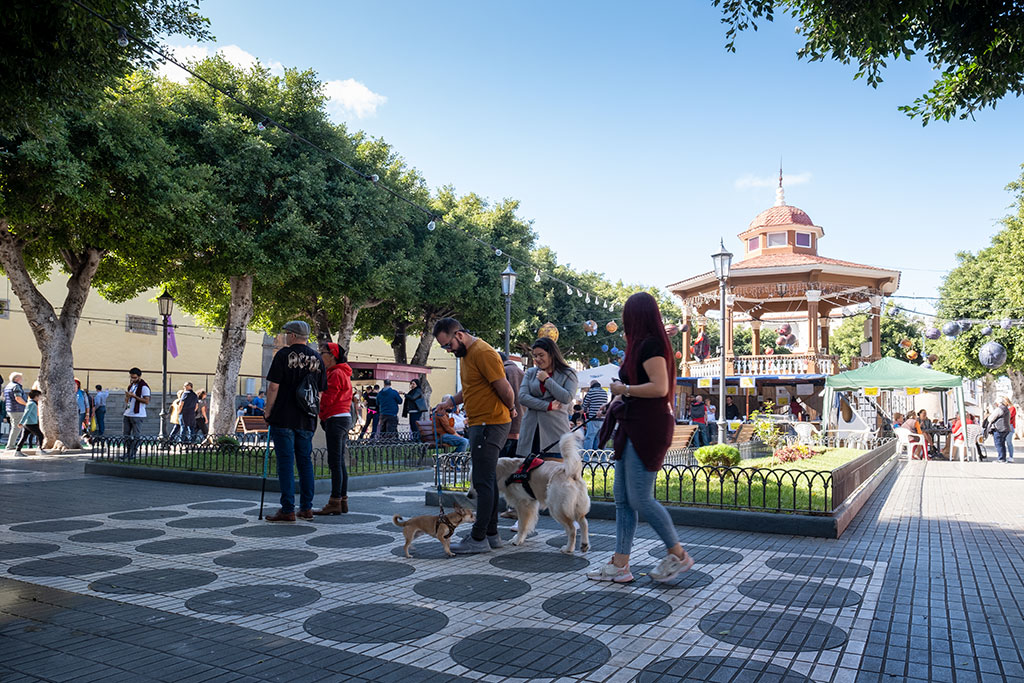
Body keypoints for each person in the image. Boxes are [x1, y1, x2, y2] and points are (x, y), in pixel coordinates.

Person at [587, 291, 694, 583]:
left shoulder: (651, 344)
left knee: (640, 498)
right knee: (622, 499)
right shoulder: (643, 345)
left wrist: (625, 391)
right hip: (633, 423)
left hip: (648, 426)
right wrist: (621, 394)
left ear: (635, 317)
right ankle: (621, 564)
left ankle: (679, 554)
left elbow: (659, 388)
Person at [432, 318, 517, 554]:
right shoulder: (468, 355)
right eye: (443, 348)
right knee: (487, 479)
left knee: (481, 481)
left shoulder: (484, 352)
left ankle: (478, 537)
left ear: (458, 335)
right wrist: (450, 402)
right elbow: (471, 388)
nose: (448, 351)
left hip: (490, 422)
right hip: (481, 422)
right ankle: (491, 535)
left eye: (447, 345)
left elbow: (506, 389)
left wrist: (510, 409)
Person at [263, 321, 326, 522]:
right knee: (305, 463)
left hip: (283, 417)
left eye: (286, 333)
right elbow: (321, 392)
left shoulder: (283, 355)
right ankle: (306, 508)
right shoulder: (318, 359)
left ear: (292, 335)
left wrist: (268, 410)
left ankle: (288, 509)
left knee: (286, 463)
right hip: (306, 419)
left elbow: (273, 387)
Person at [518, 337, 579, 459]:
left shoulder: (568, 373)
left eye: (541, 355)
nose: (537, 359)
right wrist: (548, 406)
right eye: (535, 356)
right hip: (531, 431)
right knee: (529, 475)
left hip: (555, 432)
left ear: (552, 354)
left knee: (556, 475)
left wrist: (547, 380)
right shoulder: (530, 373)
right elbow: (522, 397)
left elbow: (567, 397)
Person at [314, 342, 354, 515]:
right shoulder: (341, 372)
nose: (320, 356)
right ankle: (342, 501)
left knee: (334, 462)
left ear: (332, 355)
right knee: (339, 463)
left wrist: (320, 414)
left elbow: (328, 399)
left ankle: (335, 501)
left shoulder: (336, 373)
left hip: (335, 419)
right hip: (343, 418)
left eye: (322, 353)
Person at [499, 352, 525, 458]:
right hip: (522, 423)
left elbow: (504, 394)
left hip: (508, 423)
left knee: (503, 465)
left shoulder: (502, 372)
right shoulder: (521, 372)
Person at [122, 367, 151, 460]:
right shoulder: (131, 386)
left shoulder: (144, 387)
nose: (132, 379)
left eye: (134, 377)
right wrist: (127, 397)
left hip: (138, 414)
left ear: (139, 377)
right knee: (125, 434)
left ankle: (133, 452)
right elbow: (127, 400)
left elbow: (146, 401)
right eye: (131, 377)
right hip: (128, 413)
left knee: (136, 435)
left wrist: (135, 396)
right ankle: (128, 451)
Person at [15, 389, 45, 455]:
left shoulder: (31, 403)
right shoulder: (31, 404)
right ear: (36, 396)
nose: (40, 397)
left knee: (24, 437)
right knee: (40, 435)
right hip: (31, 423)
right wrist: (21, 422)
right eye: (39, 396)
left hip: (28, 423)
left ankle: (18, 450)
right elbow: (26, 413)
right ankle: (40, 449)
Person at [582, 379, 608, 451]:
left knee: (589, 438)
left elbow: (585, 405)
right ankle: (602, 458)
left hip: (593, 418)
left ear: (591, 385)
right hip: (603, 419)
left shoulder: (591, 392)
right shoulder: (604, 392)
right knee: (601, 438)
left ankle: (587, 457)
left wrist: (584, 410)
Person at [4, 372, 28, 450]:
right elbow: (18, 398)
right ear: (17, 378)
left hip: (10, 410)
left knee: (14, 427)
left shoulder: (8, 386)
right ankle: (10, 446)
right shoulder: (16, 386)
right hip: (17, 410)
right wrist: (26, 404)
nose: (22, 380)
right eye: (21, 378)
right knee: (17, 428)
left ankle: (10, 445)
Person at [1001, 396, 1017, 461]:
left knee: (1009, 442)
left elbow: (1009, 416)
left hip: (1010, 426)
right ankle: (1003, 456)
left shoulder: (1012, 408)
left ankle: (1011, 457)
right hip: (1004, 426)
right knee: (1002, 442)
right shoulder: (1005, 408)